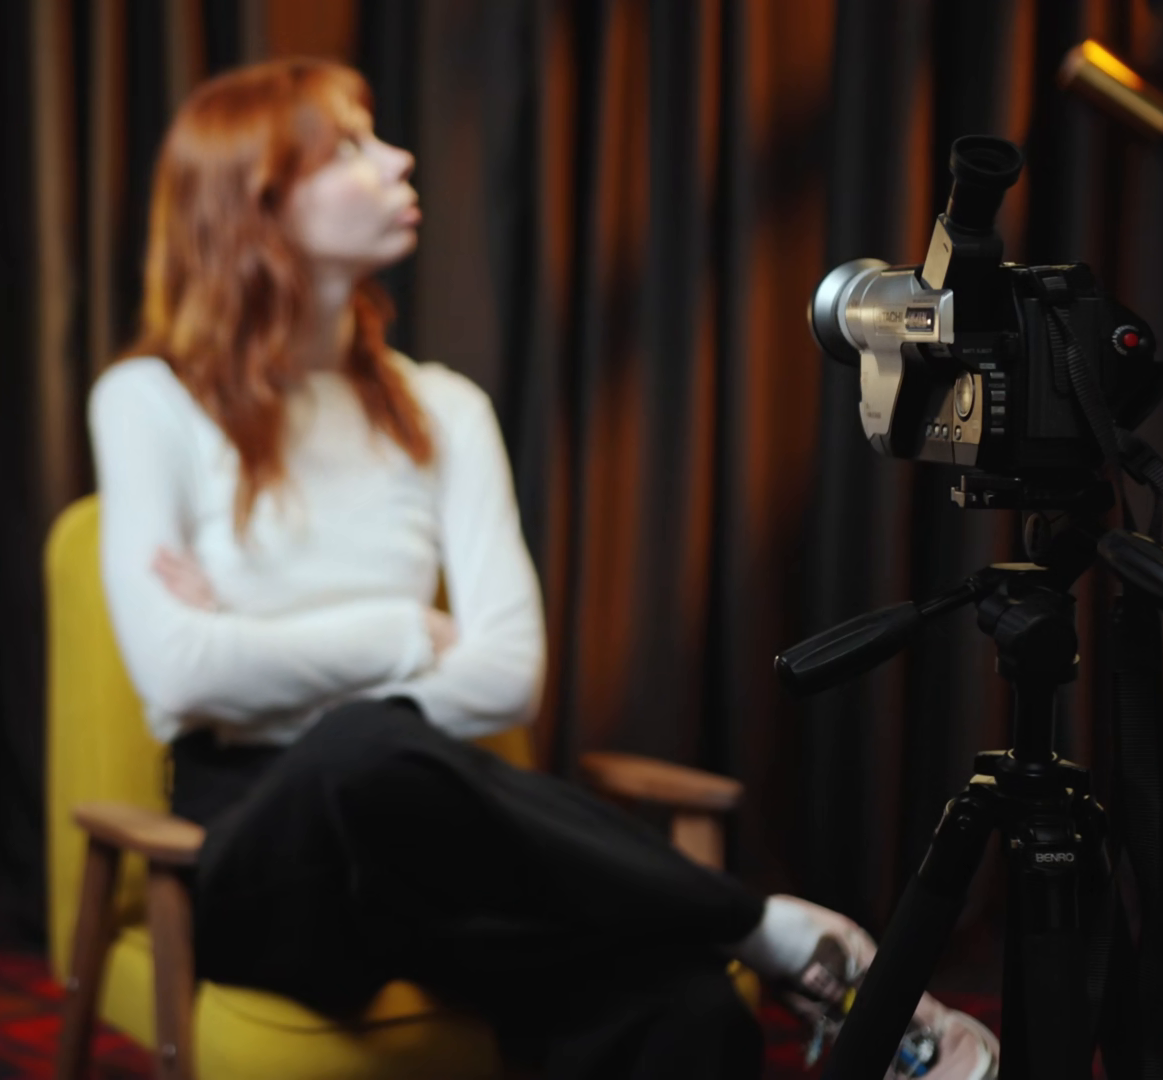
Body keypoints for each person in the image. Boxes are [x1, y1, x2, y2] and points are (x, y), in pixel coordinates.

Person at [86, 57, 999, 1080]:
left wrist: (254, 646)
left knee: (690, 1009)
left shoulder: (444, 408)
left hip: (442, 843)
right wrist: (403, 633)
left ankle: (749, 955)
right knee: (362, 746)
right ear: (254, 203)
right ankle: (769, 927)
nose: (397, 158)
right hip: (269, 863)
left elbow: (507, 677)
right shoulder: (149, 400)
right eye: (345, 148)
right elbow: (178, 673)